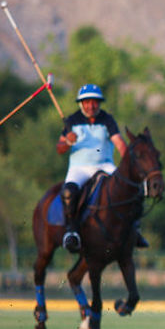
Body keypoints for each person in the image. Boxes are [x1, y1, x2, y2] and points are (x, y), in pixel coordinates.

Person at [57, 83, 149, 253]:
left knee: (130, 187)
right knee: (68, 192)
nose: (91, 106)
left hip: (104, 164)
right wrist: (68, 141)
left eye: (95, 102)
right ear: (81, 103)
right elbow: (60, 149)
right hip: (80, 168)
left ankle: (135, 229)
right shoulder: (71, 121)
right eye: (87, 102)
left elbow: (119, 143)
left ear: (99, 103)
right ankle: (71, 232)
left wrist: (129, 164)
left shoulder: (107, 120)